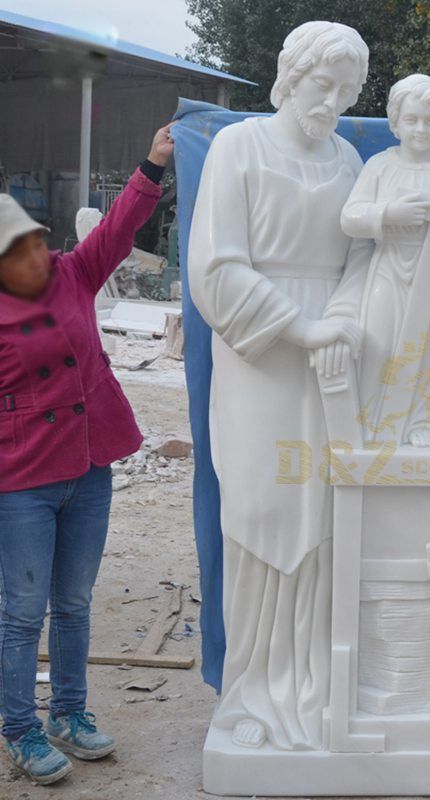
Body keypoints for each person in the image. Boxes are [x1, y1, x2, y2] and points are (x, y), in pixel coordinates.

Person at [187, 21, 371, 751]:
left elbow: (365, 265)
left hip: (332, 366)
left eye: (348, 90)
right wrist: (302, 328)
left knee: (328, 518)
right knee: (261, 508)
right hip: (260, 357)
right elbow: (217, 270)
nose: (332, 100)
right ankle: (256, 694)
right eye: (322, 84)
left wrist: (345, 325)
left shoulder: (353, 162)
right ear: (290, 79)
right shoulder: (239, 148)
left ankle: (321, 687)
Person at [0, 125, 174, 783]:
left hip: (88, 470)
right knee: (19, 611)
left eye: (39, 240)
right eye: (21, 250)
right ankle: (19, 727)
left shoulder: (74, 274)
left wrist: (152, 165)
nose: (39, 254)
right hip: (21, 483)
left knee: (72, 601)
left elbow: (117, 230)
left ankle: (69, 714)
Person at [341, 73, 430, 446]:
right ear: (395, 122)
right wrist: (388, 213)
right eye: (411, 119)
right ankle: (372, 418)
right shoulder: (380, 166)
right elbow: (350, 218)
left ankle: (419, 420)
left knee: (427, 350)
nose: (420, 129)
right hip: (389, 269)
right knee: (378, 343)